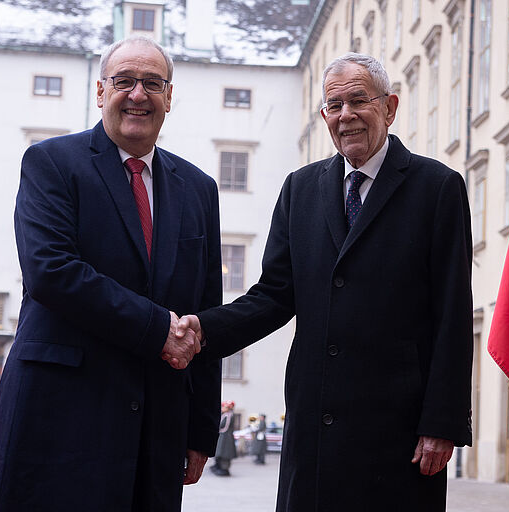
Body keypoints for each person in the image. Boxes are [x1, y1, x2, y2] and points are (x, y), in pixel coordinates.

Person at [179, 53, 473, 511]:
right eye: (334, 106)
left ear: (390, 107)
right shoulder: (300, 189)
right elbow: (274, 295)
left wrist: (443, 422)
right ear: (323, 117)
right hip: (316, 425)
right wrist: (203, 330)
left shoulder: (436, 187)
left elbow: (453, 312)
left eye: (359, 100)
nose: (346, 115)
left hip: (398, 431)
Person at [0, 36, 222, 512]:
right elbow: (51, 271)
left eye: (152, 83)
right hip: (59, 417)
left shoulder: (198, 189)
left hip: (155, 424)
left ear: (169, 97)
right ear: (99, 91)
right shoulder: (51, 162)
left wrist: (199, 428)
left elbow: (204, 311)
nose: (137, 94)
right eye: (124, 81)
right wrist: (158, 329)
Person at [211, 401, 237, 476]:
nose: (222, 408)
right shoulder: (225, 415)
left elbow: (223, 426)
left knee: (225, 454)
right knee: (220, 453)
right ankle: (219, 466)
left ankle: (224, 469)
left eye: (224, 407)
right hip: (223, 436)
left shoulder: (228, 415)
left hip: (226, 437)